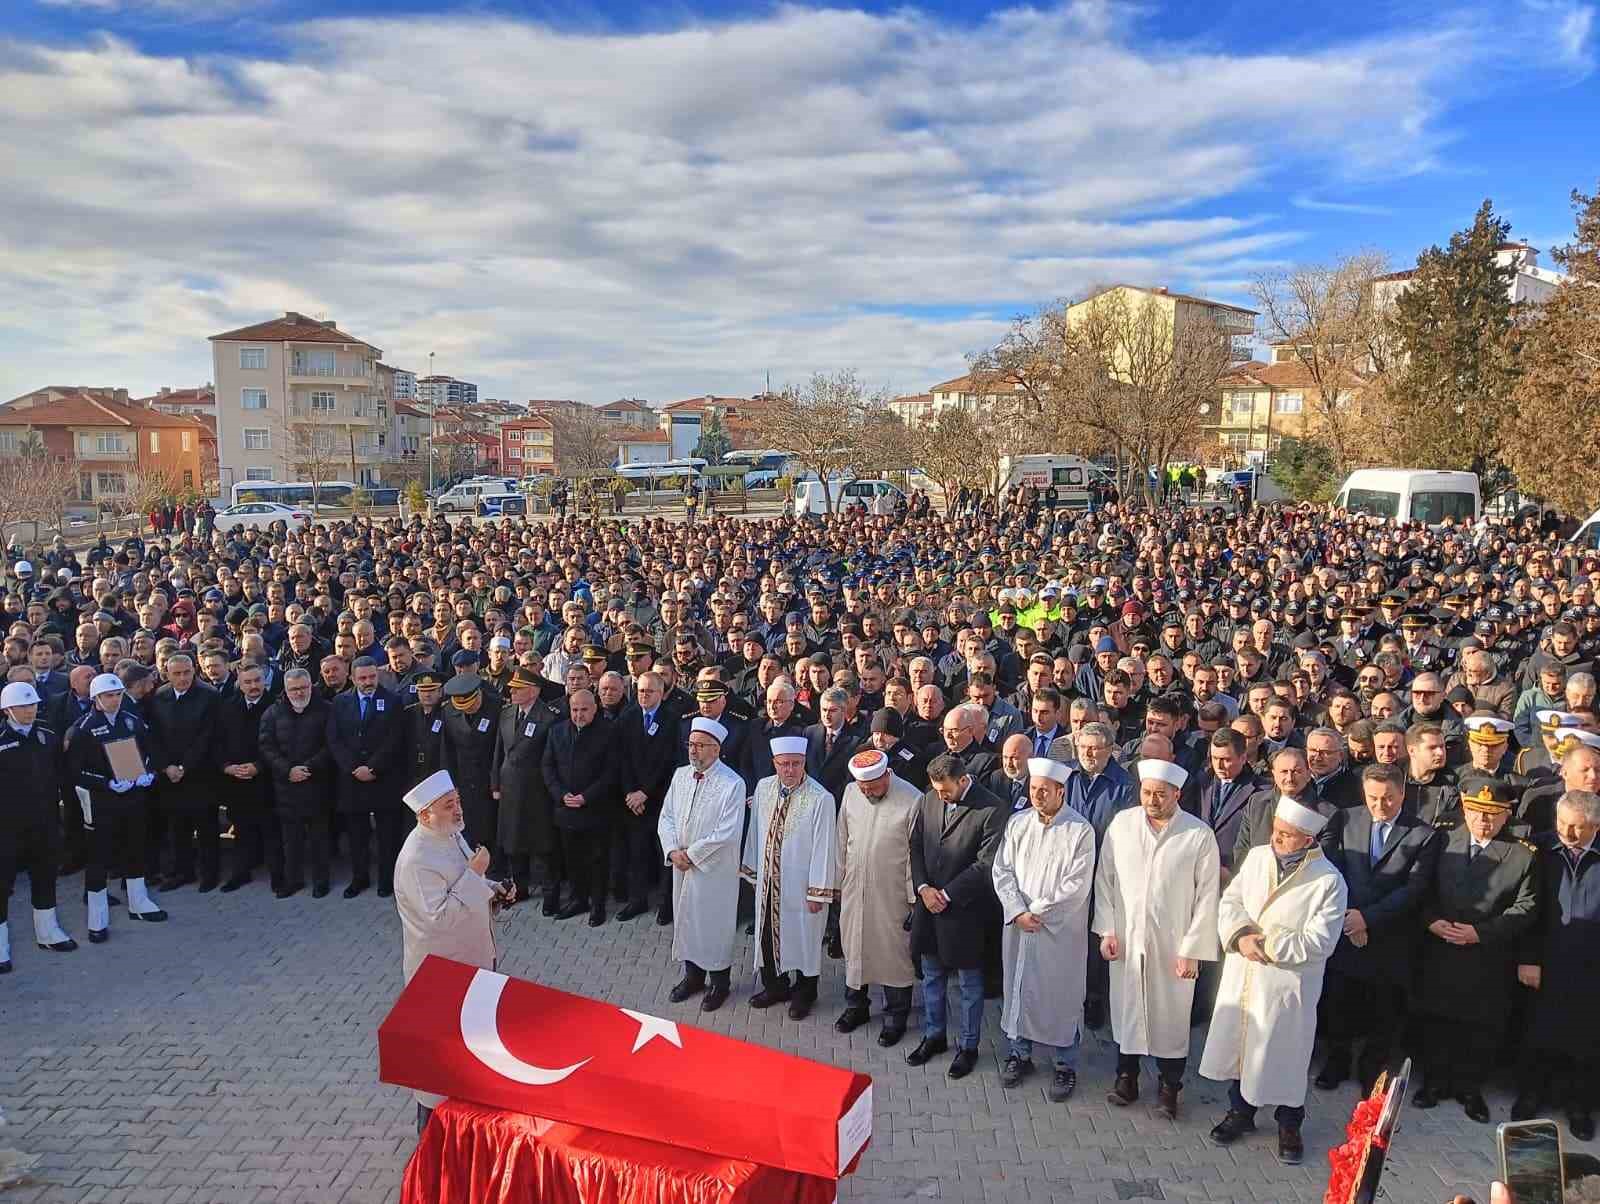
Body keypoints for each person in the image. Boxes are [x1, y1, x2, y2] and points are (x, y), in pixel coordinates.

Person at [1200, 797, 1346, 1165]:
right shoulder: (1258, 858)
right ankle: (1241, 1113)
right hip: (1246, 971)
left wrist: (1264, 943)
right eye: (1276, 832)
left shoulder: (1328, 881)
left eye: (1287, 835)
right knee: (1243, 1046)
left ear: (1308, 840)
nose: (1277, 840)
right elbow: (1230, 901)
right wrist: (1239, 936)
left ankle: (1289, 1124)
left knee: (1285, 1056)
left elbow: (1320, 941)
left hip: (1286, 984)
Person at [1094, 758, 1220, 1118]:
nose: (1152, 800)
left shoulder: (1197, 835)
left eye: (1161, 795)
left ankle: (1169, 1087)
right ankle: (1126, 1077)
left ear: (1177, 794)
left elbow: (1207, 896)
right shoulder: (1123, 825)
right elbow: (1106, 881)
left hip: (1174, 944)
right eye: (1147, 793)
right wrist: (1107, 930)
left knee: (1171, 1017)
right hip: (1128, 939)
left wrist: (1193, 950)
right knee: (1127, 1009)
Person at [1412, 774, 1539, 1122]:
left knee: (1480, 1027)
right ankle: (1434, 1082)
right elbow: (1421, 887)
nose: (1483, 820)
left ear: (1505, 815)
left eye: (1492, 813)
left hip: (1487, 955)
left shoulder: (1521, 856)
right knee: (1436, 1019)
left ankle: (1470, 1089)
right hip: (1440, 949)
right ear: (1464, 810)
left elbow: (1526, 906)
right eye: (1475, 811)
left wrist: (1481, 933)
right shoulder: (1443, 841)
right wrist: (1430, 920)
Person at [393, 769, 509, 1135]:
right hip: (441, 976)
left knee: (470, 1052)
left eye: (457, 801)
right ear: (425, 814)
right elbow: (440, 919)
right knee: (439, 1069)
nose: (459, 810)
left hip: (472, 961)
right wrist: (477, 875)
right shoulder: (415, 859)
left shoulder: (450, 834)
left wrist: (494, 890)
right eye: (449, 805)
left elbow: (463, 885)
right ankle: (431, 1144)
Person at [1315, 761, 1443, 1092]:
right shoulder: (1346, 819)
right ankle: (1337, 1061)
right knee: (1340, 1002)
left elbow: (1414, 888)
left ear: (1402, 793)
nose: (1379, 805)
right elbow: (1332, 869)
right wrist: (1350, 916)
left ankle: (1372, 1068)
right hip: (1346, 929)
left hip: (1390, 937)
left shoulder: (1423, 835)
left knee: (1383, 1008)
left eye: (1388, 798)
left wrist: (1367, 918)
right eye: (1372, 798)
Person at [992, 757, 1095, 1102]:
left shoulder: (1080, 831)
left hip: (1058, 932)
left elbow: (1076, 886)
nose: (1037, 796)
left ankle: (1065, 1065)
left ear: (1061, 791)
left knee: (1059, 995)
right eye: (1033, 789)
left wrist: (1037, 912)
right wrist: (1017, 910)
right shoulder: (1018, 823)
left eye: (1044, 790)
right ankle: (1019, 1054)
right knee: (1018, 988)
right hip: (1019, 927)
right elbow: (1002, 870)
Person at [906, 752, 1006, 1079]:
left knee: (968, 985)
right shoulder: (929, 800)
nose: (940, 796)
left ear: (963, 780)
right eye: (936, 790)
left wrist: (947, 894)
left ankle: (968, 1046)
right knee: (932, 976)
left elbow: (986, 864)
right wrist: (922, 888)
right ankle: (934, 1036)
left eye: (946, 790)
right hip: (929, 907)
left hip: (965, 912)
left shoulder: (991, 809)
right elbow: (917, 845)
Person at [1514, 788, 1600, 1139]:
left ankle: (1579, 1106)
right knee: (1538, 1033)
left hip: (1591, 965)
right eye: (1563, 824)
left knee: (1586, 1042)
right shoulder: (1541, 850)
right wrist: (1528, 959)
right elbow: (1529, 909)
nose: (1568, 833)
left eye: (1578, 827)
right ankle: (1532, 1095)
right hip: (1546, 960)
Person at [741, 735, 838, 1018]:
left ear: (804, 762)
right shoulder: (763, 788)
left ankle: (805, 992)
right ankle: (775, 986)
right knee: (767, 936)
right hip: (769, 882)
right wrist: (753, 870)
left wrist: (818, 891)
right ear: (774, 763)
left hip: (802, 886)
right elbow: (755, 830)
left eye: (796, 764)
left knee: (804, 939)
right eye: (784, 764)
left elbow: (825, 846)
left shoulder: (821, 798)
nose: (790, 770)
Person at [66, 672, 165, 941]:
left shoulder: (131, 721)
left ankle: (138, 901)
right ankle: (97, 918)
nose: (115, 700)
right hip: (102, 800)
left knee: (136, 846)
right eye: (109, 696)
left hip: (132, 796)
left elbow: (150, 751)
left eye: (118, 694)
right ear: (97, 698)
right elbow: (75, 771)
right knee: (99, 857)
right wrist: (106, 783)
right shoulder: (83, 729)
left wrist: (148, 772)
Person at [833, 747, 921, 1045]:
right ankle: (856, 1007)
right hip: (854, 888)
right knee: (855, 947)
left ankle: (896, 1016)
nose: (868, 792)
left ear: (887, 774)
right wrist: (836, 881)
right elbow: (841, 838)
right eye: (863, 787)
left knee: (893, 954)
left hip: (892, 893)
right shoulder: (850, 792)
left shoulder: (912, 799)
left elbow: (915, 855)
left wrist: (912, 899)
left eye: (873, 786)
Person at [660, 716, 746, 1012]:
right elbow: (667, 816)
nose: (693, 751)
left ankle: (720, 983)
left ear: (716, 749)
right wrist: (672, 850)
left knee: (712, 924)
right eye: (690, 745)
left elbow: (727, 831)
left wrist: (691, 855)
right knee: (686, 919)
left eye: (700, 746)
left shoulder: (733, 783)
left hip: (714, 870)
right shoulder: (680, 775)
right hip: (681, 867)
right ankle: (692, 977)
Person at [0, 681, 76, 971]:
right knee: (2, 884)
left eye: (32, 705)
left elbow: (62, 774)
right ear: (7, 709)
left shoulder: (47, 736)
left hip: (43, 822)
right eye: (23, 706)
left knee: (44, 876)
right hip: (6, 826)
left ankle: (48, 931)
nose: (30, 710)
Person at [327, 656, 406, 898]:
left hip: (383, 778)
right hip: (352, 781)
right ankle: (359, 878)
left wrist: (373, 768)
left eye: (372, 676)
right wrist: (353, 768)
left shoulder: (392, 701)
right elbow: (334, 739)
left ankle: (386, 880)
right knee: (357, 835)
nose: (368, 682)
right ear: (352, 678)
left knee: (387, 835)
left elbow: (395, 739)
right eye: (362, 678)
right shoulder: (340, 702)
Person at [146, 652, 221, 890]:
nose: (183, 678)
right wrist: (166, 766)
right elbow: (153, 737)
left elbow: (207, 736)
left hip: (201, 773)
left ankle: (210, 874)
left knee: (207, 827)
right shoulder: (159, 697)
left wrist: (185, 766)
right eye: (177, 673)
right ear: (167, 674)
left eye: (187, 672)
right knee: (177, 827)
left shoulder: (209, 696)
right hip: (170, 775)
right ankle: (182, 871)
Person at [489, 665, 562, 909]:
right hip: (510, 788)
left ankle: (550, 895)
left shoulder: (548, 717)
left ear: (533, 691)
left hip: (536, 791)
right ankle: (519, 888)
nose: (512, 692)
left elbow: (552, 758)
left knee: (541, 846)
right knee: (513, 843)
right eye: (512, 688)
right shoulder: (507, 713)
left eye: (518, 689)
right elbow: (499, 751)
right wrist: (495, 783)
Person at [541, 686, 615, 926]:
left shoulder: (608, 733)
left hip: (595, 810)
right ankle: (578, 900)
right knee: (572, 860)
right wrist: (561, 795)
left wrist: (587, 796)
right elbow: (548, 767)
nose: (579, 715)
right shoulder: (557, 731)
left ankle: (598, 905)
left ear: (595, 709)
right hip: (565, 809)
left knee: (597, 860)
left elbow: (610, 772)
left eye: (584, 709)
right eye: (574, 710)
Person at [259, 668, 334, 898]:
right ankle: (294, 880)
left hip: (318, 785)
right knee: (291, 841)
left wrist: (309, 768)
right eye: (294, 689)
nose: (299, 692)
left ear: (311, 686)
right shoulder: (272, 713)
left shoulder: (327, 710)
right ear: (286, 689)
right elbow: (266, 746)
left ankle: (321, 881)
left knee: (320, 839)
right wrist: (287, 770)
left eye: (303, 687)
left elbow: (332, 744)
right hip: (286, 787)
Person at [615, 670, 680, 921]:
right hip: (634, 802)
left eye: (649, 691)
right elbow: (621, 760)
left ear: (661, 694)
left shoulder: (672, 720)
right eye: (640, 691)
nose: (644, 695)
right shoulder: (627, 717)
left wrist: (645, 792)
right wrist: (631, 793)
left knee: (663, 854)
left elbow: (669, 762)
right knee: (636, 853)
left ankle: (667, 904)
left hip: (660, 798)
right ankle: (637, 900)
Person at [212, 661, 278, 892]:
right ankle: (241, 873)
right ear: (239, 683)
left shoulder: (276, 705)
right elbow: (217, 742)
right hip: (236, 780)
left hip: (267, 779)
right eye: (248, 682)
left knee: (271, 831)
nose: (253, 686)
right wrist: (226, 767)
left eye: (257, 681)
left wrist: (259, 766)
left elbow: (281, 744)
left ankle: (278, 877)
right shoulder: (228, 707)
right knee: (241, 829)